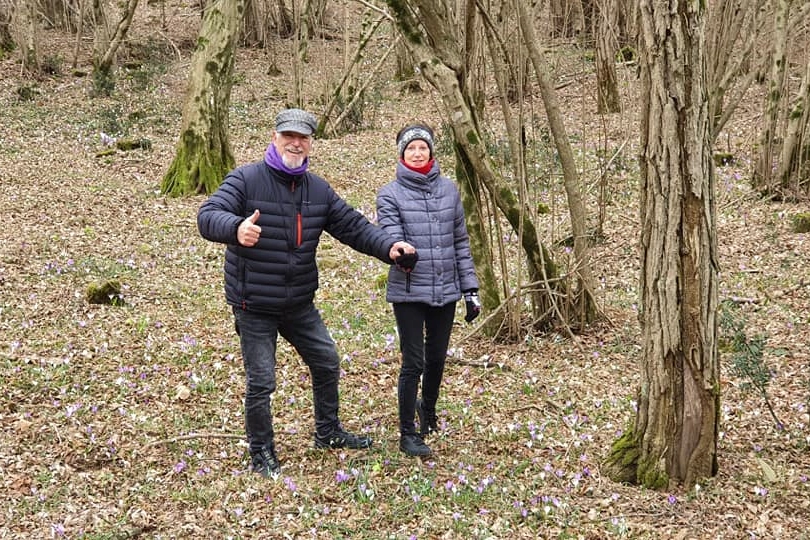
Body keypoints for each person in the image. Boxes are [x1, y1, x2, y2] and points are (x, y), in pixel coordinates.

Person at [197, 108, 417, 478]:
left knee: (327, 361)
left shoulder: (318, 190)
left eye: (303, 138)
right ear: (275, 137)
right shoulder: (247, 179)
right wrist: (235, 228)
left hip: (298, 302)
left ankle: (327, 432)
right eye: (289, 136)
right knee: (262, 380)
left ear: (311, 142)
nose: (295, 143)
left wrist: (389, 247)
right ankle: (261, 451)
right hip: (254, 303)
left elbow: (354, 227)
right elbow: (208, 214)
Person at [376, 123, 480, 457]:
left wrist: (471, 290)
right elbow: (391, 235)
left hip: (446, 290)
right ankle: (407, 433)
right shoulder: (389, 194)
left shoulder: (449, 190)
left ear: (431, 152)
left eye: (423, 148)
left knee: (436, 359)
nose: (418, 153)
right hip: (409, 290)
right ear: (402, 154)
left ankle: (428, 410)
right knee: (414, 362)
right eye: (411, 149)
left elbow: (461, 243)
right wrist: (401, 253)